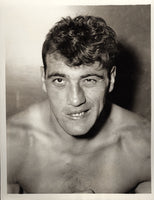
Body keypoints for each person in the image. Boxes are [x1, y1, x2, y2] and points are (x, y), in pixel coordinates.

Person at [7, 15, 150, 193]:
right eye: (59, 80)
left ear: (111, 79)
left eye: (89, 80)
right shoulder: (10, 144)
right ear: (44, 78)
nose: (75, 100)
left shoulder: (144, 146)